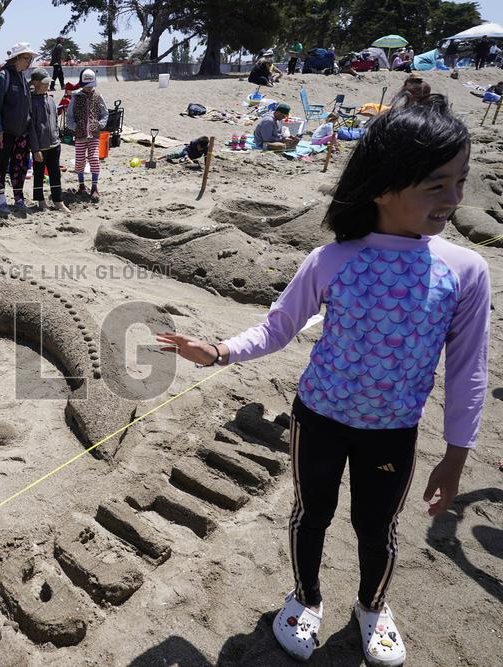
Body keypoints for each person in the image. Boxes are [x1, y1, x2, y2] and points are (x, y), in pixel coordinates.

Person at [157, 95, 488, 667]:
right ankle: (306, 597)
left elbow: (467, 370)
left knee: (377, 526)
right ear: (383, 186)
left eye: (459, 182)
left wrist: (457, 452)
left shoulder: (464, 270)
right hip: (318, 419)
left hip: (392, 431)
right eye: (436, 185)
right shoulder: (332, 259)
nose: (453, 199)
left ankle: (372, 605)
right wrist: (219, 351)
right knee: (311, 515)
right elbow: (279, 328)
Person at [0, 42, 35, 213]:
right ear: (16, 58)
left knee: (20, 166)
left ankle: (18, 197)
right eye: (26, 58)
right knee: (0, 164)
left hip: (22, 132)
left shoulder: (22, 77)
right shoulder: (3, 77)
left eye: (30, 59)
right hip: (5, 132)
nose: (29, 62)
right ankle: (2, 198)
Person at [28, 68, 69, 212]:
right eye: (44, 83)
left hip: (54, 144)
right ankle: (40, 201)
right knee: (39, 175)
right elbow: (31, 128)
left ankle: (58, 201)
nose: (47, 85)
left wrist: (57, 138)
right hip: (40, 147)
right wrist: (35, 149)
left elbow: (54, 121)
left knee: (55, 174)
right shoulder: (31, 102)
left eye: (48, 83)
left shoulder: (50, 99)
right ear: (35, 83)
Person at [65, 68, 108, 202]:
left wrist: (100, 124)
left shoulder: (98, 96)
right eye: (86, 86)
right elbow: (69, 116)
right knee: (79, 161)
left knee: (94, 159)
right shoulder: (75, 97)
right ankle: (81, 185)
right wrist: (75, 127)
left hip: (94, 135)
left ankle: (94, 187)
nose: (89, 88)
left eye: (91, 86)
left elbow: (105, 113)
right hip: (80, 136)